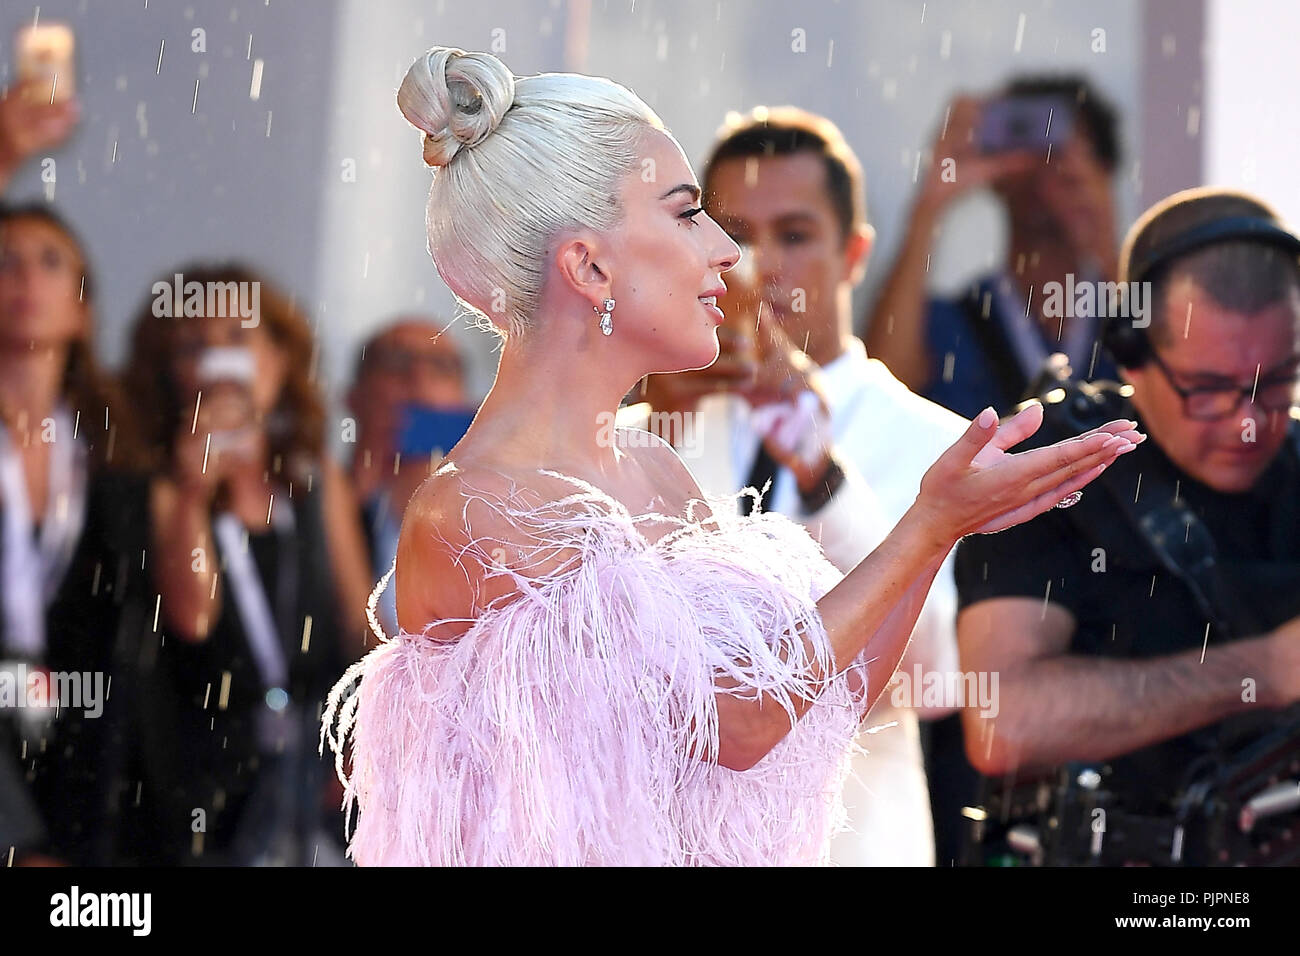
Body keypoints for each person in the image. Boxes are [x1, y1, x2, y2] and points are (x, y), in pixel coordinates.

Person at [320, 45, 1141, 867]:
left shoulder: (652, 467)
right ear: (588, 265)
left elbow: (827, 699)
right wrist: (927, 525)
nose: (729, 254)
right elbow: (737, 723)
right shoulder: (477, 510)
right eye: (687, 215)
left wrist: (937, 528)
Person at [633, 106, 967, 865]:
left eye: (794, 235)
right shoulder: (655, 419)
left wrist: (819, 466)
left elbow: (930, 673)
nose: (760, 267)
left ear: (854, 253)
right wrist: (662, 425)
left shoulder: (933, 439)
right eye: (736, 235)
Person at [953, 187, 1300, 865]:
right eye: (1208, 389)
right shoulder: (1057, 471)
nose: (1247, 420)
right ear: (1130, 353)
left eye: (1278, 383)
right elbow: (1004, 721)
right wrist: (1268, 668)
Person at [113, 263, 370, 865]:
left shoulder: (314, 485)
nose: (218, 360)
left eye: (238, 338)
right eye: (194, 346)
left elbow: (364, 632)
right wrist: (195, 491)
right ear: (168, 375)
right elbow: (193, 618)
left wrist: (372, 742)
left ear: (281, 362)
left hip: (317, 780)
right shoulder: (158, 490)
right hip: (202, 785)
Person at [865, 76, 1122, 420]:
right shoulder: (955, 322)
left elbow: (1169, 374)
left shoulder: (1123, 314)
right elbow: (882, 393)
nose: (1040, 163)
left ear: (1102, 169)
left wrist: (1101, 225)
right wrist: (929, 206)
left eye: (1058, 145)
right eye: (1020, 134)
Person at [345, 317, 472, 637]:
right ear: (354, 399)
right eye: (396, 364)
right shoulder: (316, 500)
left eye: (441, 366)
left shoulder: (491, 513)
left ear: (464, 400)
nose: (419, 378)